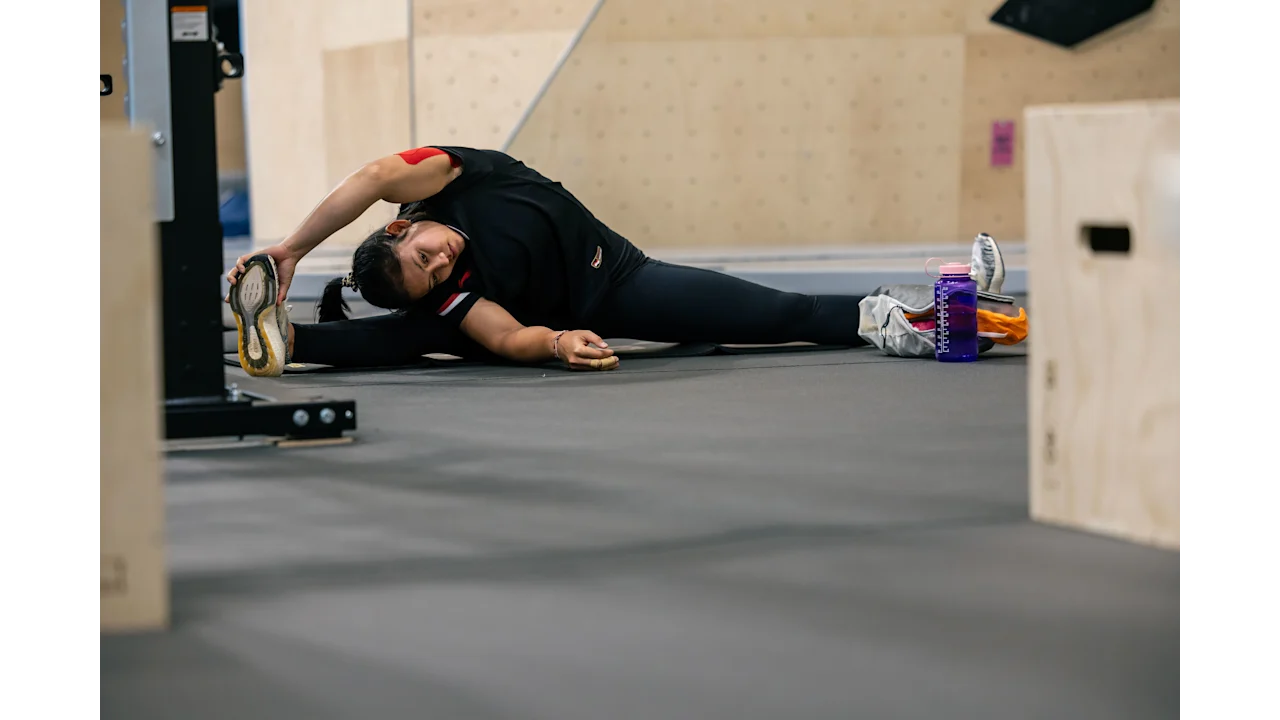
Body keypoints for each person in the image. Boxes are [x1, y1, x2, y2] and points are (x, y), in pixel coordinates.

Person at [225, 145, 1007, 376]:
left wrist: (291, 248)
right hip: (577, 315)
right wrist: (557, 342)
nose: (440, 260)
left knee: (777, 312)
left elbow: (371, 175)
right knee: (421, 335)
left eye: (424, 253)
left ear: (403, 226)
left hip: (622, 277)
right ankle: (282, 339)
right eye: (431, 274)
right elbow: (507, 337)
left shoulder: (461, 178)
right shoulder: (446, 292)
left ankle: (909, 314)